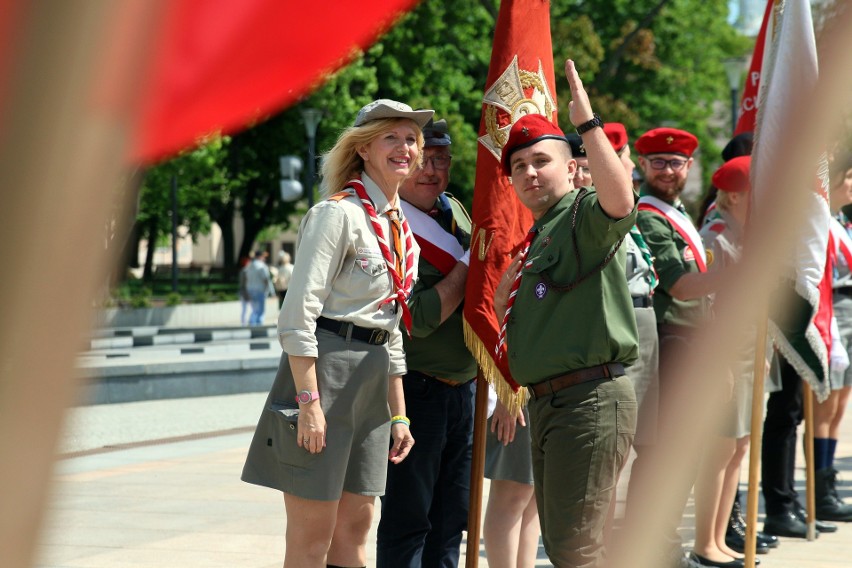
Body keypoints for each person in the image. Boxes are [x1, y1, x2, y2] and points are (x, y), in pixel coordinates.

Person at [241, 99, 433, 568]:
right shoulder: (338, 214)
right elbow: (297, 316)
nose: (404, 148)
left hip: (372, 385)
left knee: (356, 531)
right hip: (325, 375)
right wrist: (308, 404)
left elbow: (390, 325)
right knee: (311, 540)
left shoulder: (398, 224)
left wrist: (400, 414)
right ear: (363, 149)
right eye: (391, 137)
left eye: (411, 139)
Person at [493, 59, 638, 567]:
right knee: (563, 545)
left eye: (541, 161)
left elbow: (621, 202)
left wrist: (587, 124)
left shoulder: (580, 214)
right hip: (552, 403)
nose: (529, 173)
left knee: (577, 549)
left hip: (588, 398)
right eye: (518, 167)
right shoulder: (537, 238)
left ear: (570, 166)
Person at [375, 118, 477, 567]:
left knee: (452, 520)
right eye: (422, 159)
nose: (431, 170)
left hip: (464, 390)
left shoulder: (455, 211)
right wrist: (469, 268)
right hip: (414, 390)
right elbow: (418, 318)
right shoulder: (385, 222)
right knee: (408, 522)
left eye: (441, 160)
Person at [631, 126, 728, 568]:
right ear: (642, 165)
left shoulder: (677, 211)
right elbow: (683, 287)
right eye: (658, 162)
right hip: (671, 344)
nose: (668, 170)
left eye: (676, 163)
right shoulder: (649, 216)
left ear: (689, 167)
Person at [691, 156, 768, 566]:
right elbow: (706, 303)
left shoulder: (748, 233)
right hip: (726, 353)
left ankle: (719, 539)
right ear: (735, 195)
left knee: (739, 447)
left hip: (750, 349)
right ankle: (705, 543)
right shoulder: (716, 236)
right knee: (719, 450)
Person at [812, 150, 852, 522]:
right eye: (850, 176)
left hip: (847, 310)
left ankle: (826, 478)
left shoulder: (840, 221)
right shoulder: (821, 221)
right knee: (825, 403)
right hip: (833, 310)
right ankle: (818, 488)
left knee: (840, 405)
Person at [483, 397, 541, 568]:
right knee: (512, 496)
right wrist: (507, 394)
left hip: (548, 390)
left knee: (534, 499)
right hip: (519, 391)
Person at [245, 250, 275, 325]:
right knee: (260, 310)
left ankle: (252, 324)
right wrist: (272, 292)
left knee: (254, 309)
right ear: (260, 257)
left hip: (250, 289)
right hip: (259, 290)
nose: (264, 258)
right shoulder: (262, 266)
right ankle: (259, 326)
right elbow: (266, 279)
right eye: (263, 257)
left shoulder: (249, 265)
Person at [238, 254, 252, 326]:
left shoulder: (243, 270)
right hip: (246, 291)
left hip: (243, 291)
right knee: (247, 308)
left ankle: (244, 322)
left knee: (245, 308)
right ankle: (245, 323)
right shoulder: (246, 271)